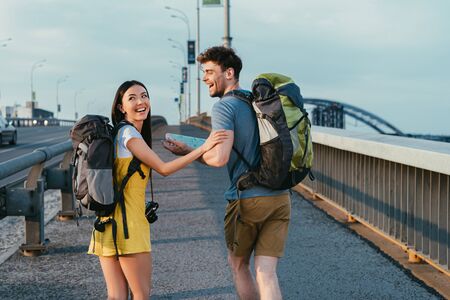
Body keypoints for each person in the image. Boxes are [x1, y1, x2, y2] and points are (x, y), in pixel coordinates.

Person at [164, 47, 290, 300]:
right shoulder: (256, 101)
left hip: (248, 200)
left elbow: (219, 158)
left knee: (238, 265)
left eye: (210, 72)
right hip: (280, 197)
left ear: (229, 73)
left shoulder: (224, 107)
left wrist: (189, 152)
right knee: (266, 273)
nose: (205, 78)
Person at [88, 80, 226, 300]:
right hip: (129, 228)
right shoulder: (130, 135)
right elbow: (164, 168)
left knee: (116, 296)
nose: (141, 101)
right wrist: (203, 147)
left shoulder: (117, 135)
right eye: (132, 98)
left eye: (144, 95)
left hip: (105, 226)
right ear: (121, 107)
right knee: (141, 295)